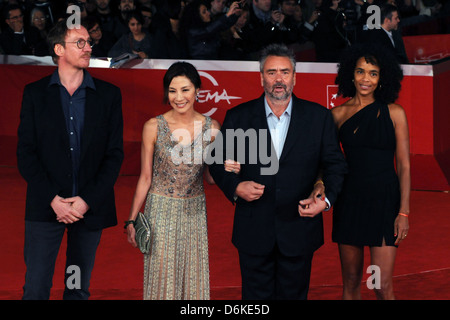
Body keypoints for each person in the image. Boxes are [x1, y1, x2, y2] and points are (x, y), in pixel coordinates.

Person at [208, 43, 347, 300]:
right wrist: (235, 187)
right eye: (272, 72)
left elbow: (335, 164)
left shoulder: (319, 117)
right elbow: (216, 161)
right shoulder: (239, 117)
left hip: (299, 229)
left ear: (295, 76)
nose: (279, 79)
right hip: (253, 230)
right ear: (261, 77)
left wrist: (325, 200)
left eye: (285, 72)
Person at [17, 18, 124, 300]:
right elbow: (26, 154)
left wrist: (86, 200)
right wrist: (54, 199)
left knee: (76, 289)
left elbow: (114, 156)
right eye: (80, 42)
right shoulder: (36, 95)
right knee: (37, 288)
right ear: (59, 49)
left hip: (87, 212)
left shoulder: (109, 96)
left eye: (89, 42)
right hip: (45, 208)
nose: (88, 47)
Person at [125, 61, 239, 300]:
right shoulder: (153, 126)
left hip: (194, 212)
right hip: (161, 211)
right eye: (173, 90)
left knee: (193, 278)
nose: (179, 97)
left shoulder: (213, 129)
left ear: (197, 90)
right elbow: (146, 177)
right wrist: (132, 219)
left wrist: (228, 169)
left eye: (185, 89)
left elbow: (209, 177)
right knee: (162, 278)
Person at [332, 43, 410, 300]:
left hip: (384, 202)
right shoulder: (337, 114)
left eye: (373, 73)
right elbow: (327, 161)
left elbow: (404, 165)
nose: (366, 79)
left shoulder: (395, 113)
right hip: (350, 201)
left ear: (382, 77)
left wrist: (403, 211)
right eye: (361, 71)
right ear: (350, 74)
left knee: (380, 284)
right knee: (352, 283)